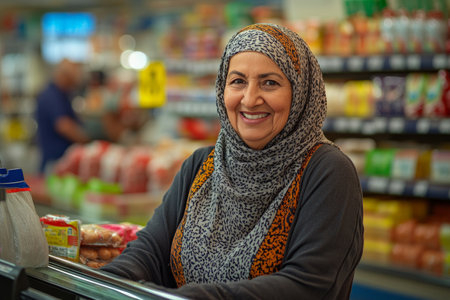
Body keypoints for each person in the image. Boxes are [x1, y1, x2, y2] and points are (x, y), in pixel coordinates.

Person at [101, 23, 364, 299]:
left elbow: (307, 285)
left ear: (300, 93)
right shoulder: (202, 165)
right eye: (238, 81)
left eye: (270, 83)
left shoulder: (327, 171)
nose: (249, 100)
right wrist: (101, 284)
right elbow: (150, 252)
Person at [35, 59, 90, 174]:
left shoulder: (63, 95)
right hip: (55, 163)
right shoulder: (52, 96)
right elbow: (64, 125)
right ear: (64, 76)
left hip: (61, 161)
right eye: (72, 80)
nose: (73, 84)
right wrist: (88, 142)